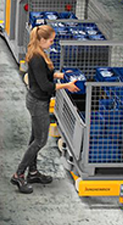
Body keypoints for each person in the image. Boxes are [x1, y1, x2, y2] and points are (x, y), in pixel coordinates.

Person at [11, 25, 80, 194]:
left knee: (35, 138)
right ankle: (19, 174)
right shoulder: (36, 57)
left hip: (38, 100)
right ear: (41, 40)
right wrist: (67, 86)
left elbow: (44, 75)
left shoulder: (39, 53)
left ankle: (32, 172)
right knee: (40, 141)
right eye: (50, 40)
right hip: (38, 103)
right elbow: (45, 85)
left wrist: (61, 75)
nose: (52, 43)